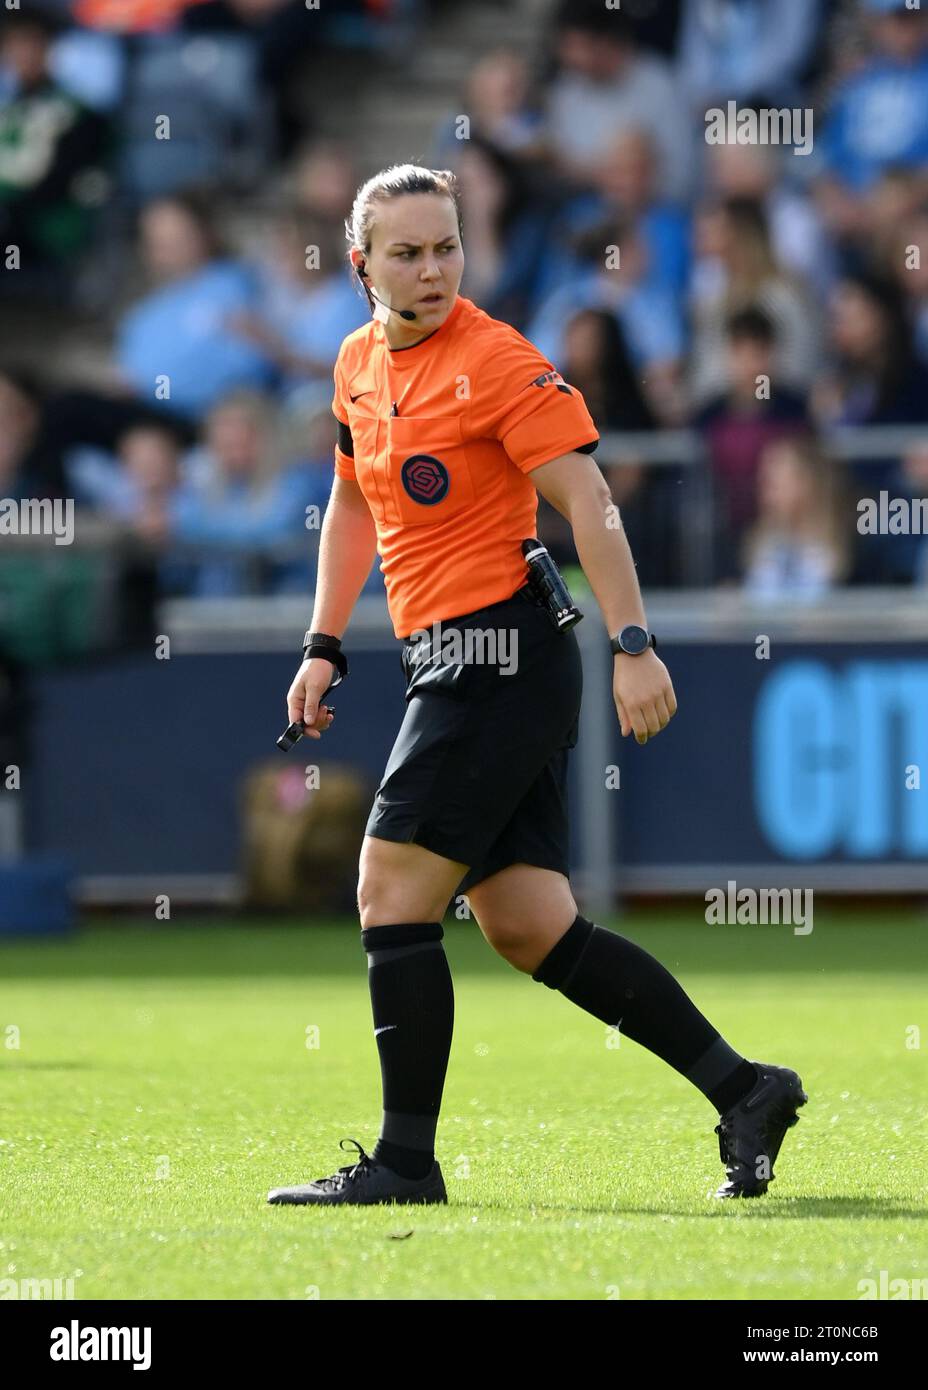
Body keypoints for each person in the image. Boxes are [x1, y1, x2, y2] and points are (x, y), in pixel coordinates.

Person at [266, 164, 808, 1208]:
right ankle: (746, 1089)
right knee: (526, 924)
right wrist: (323, 644)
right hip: (443, 653)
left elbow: (589, 500)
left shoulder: (497, 361)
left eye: (447, 247)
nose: (432, 269)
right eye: (407, 252)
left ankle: (405, 1164)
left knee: (387, 894)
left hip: (497, 655)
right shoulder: (352, 365)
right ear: (359, 266)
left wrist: (634, 641)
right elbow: (350, 507)